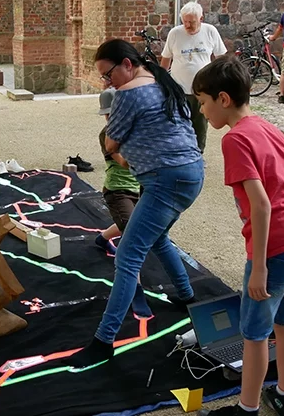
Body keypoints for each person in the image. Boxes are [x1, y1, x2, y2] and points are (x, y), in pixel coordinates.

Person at [192, 56, 284, 416]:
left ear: (222, 99)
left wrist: (261, 266)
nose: (202, 111)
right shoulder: (268, 126)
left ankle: (246, 409)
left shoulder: (235, 140)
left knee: (253, 333)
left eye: (203, 102)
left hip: (277, 250)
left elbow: (261, 206)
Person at [65, 39, 204, 368]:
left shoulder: (128, 94)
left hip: (164, 180)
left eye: (108, 74)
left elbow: (110, 141)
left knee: (127, 256)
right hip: (191, 174)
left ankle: (103, 341)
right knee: (157, 237)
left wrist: (123, 148)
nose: (107, 83)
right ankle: (186, 295)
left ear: (127, 64)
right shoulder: (163, 82)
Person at [94, 88, 152, 318]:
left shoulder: (135, 129)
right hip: (117, 191)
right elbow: (126, 162)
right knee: (133, 236)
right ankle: (136, 289)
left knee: (132, 224)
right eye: (107, 115)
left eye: (115, 113)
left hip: (137, 188)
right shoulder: (106, 134)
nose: (110, 119)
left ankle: (102, 238)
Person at [161, 1, 227, 155]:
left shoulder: (210, 31)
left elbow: (220, 58)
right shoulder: (175, 33)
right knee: (179, 122)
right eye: (185, 21)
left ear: (201, 19)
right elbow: (166, 59)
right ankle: (180, 152)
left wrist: (220, 80)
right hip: (179, 88)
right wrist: (161, 81)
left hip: (203, 89)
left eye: (192, 22)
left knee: (201, 123)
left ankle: (198, 153)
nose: (188, 25)